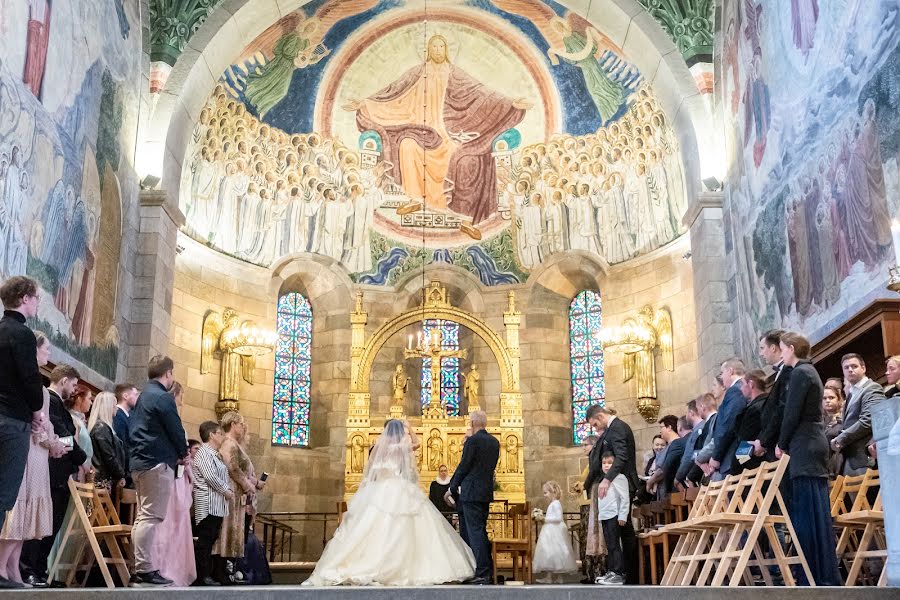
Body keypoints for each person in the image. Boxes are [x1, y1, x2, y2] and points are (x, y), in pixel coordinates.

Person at [304, 419, 475, 585]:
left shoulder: (377, 448)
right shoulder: (400, 447)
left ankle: (373, 562)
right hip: (400, 488)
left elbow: (372, 474)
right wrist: (411, 429)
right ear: (399, 432)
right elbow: (417, 444)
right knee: (409, 525)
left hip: (380, 490)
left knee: (374, 526)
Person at [0, 332, 66, 588]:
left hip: (37, 455)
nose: (49, 354)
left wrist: (53, 441)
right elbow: (38, 426)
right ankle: (2, 568)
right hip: (29, 453)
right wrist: (53, 444)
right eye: (46, 349)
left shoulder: (37, 387)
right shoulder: (32, 387)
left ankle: (13, 569)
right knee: (20, 513)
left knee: (28, 519)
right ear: (34, 350)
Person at [775, 331, 841, 585]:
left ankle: (816, 574)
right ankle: (817, 573)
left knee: (810, 513)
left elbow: (791, 413)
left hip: (806, 445)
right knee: (811, 513)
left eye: (782, 349)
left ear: (791, 348)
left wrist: (782, 443)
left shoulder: (801, 373)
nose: (781, 354)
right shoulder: (806, 372)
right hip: (807, 444)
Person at [20, 364, 86, 588]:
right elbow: (60, 435)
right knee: (40, 527)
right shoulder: (50, 400)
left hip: (60, 473)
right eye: (74, 384)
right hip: (51, 469)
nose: (74, 390)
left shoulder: (58, 404)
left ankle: (40, 571)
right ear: (64, 380)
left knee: (50, 526)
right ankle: (29, 570)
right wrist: (81, 456)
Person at [0, 276, 44, 588]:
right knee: (4, 495)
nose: (38, 303)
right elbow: (30, 379)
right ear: (26, 298)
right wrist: (38, 412)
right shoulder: (23, 334)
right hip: (13, 421)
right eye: (37, 298)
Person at [129, 355, 188, 587]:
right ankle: (144, 569)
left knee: (143, 517)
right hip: (155, 463)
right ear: (168, 373)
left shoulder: (144, 395)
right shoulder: (163, 397)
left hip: (140, 462)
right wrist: (183, 453)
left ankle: (140, 567)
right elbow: (175, 428)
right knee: (150, 517)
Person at [584, 405, 639, 584]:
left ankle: (625, 573)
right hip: (616, 485)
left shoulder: (617, 428)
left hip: (621, 485)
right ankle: (620, 571)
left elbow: (621, 457)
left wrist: (607, 480)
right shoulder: (612, 429)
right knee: (617, 532)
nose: (596, 428)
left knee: (622, 530)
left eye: (595, 424)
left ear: (600, 416)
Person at [445, 410, 499, 585]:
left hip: (471, 493)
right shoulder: (494, 442)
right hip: (485, 492)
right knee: (480, 531)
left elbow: (464, 466)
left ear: (473, 422)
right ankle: (485, 570)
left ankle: (482, 572)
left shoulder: (473, 441)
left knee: (474, 533)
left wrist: (452, 488)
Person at [213, 411, 264, 585]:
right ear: (233, 424)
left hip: (238, 494)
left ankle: (228, 571)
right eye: (241, 424)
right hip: (232, 494)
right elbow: (233, 468)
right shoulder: (229, 444)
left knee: (235, 532)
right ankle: (222, 571)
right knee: (228, 531)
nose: (243, 428)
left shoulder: (234, 444)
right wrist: (248, 486)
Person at [152, 382, 196, 586]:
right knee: (169, 526)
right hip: (171, 478)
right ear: (174, 395)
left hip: (179, 480)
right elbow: (175, 449)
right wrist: (184, 458)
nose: (182, 400)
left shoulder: (172, 419)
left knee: (178, 527)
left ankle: (176, 569)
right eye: (181, 396)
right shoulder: (169, 419)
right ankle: (166, 568)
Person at [192, 421, 232, 587]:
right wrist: (226, 491)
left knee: (210, 539)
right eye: (220, 433)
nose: (222, 436)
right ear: (211, 435)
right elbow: (210, 476)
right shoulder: (203, 453)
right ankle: (202, 576)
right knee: (205, 541)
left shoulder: (213, 453)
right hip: (208, 503)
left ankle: (206, 574)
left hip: (217, 504)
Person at [831, 353, 885, 475]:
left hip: (865, 457)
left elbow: (869, 420)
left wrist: (841, 438)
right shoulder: (851, 394)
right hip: (851, 459)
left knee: (870, 495)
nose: (850, 370)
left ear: (863, 368)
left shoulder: (872, 388)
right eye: (846, 367)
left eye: (854, 366)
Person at [707, 358, 747, 480]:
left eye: (722, 372)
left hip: (731, 454)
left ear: (731, 371)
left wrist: (716, 456)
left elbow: (728, 425)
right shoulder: (741, 388)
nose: (722, 376)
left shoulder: (735, 390)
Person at [594, 452, 630, 586]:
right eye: (604, 463)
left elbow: (624, 498)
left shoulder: (619, 477)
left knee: (615, 545)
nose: (607, 466)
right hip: (605, 515)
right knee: (609, 545)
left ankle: (618, 573)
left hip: (614, 515)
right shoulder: (604, 479)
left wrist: (623, 515)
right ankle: (612, 571)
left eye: (610, 463)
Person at [575, 434, 606, 584]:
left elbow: (591, 479)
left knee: (595, 537)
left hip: (591, 503)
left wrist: (582, 486)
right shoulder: (590, 462)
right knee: (588, 539)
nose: (583, 448)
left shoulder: (595, 461)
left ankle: (597, 573)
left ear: (594, 445)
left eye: (585, 445)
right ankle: (590, 573)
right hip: (587, 502)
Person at [533, 481, 577, 583]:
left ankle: (552, 578)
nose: (544, 495)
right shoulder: (553, 504)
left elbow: (558, 518)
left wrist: (544, 518)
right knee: (552, 553)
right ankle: (556, 578)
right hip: (551, 529)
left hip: (554, 531)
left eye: (546, 493)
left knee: (555, 552)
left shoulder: (556, 504)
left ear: (552, 492)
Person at [88, 392, 127, 492]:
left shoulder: (103, 428)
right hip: (101, 479)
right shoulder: (101, 428)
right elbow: (109, 455)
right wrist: (120, 474)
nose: (117, 408)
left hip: (104, 478)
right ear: (108, 407)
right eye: (114, 406)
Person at [732, 370, 769, 474]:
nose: (741, 388)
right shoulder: (769, 402)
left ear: (751, 384)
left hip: (753, 468)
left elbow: (746, 442)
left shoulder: (754, 410)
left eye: (743, 384)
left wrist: (736, 468)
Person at [646, 416, 690, 498]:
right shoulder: (671, 445)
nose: (660, 431)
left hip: (674, 490)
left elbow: (664, 468)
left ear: (669, 427)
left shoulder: (677, 443)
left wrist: (650, 482)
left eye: (662, 427)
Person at [674, 397, 704, 489]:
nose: (686, 416)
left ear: (691, 413)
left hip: (697, 475)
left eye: (687, 412)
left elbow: (689, 456)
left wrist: (678, 477)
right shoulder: (704, 426)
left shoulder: (698, 430)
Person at [65, 385, 94, 477]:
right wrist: (83, 462)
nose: (91, 402)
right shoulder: (73, 419)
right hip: (77, 469)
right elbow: (72, 446)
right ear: (79, 399)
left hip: (84, 468)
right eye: (89, 399)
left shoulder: (80, 420)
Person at [113, 383, 138, 485]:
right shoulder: (118, 415)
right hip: (122, 470)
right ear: (125, 396)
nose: (138, 398)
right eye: (135, 394)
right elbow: (121, 445)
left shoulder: (127, 417)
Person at [822, 378, 845, 478]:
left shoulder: (844, 417)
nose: (827, 401)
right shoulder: (819, 422)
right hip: (823, 468)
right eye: (824, 398)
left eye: (831, 398)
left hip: (840, 467)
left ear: (838, 399)